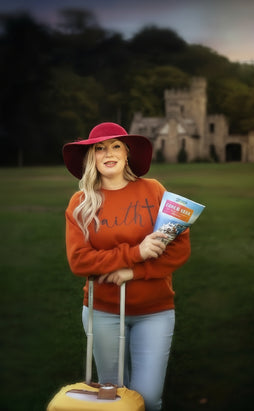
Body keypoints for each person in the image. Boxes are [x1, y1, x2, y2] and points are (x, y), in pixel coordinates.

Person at [63, 122, 191, 411]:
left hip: (154, 311)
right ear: (91, 157)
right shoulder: (81, 202)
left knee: (149, 397)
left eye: (116, 146)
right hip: (103, 311)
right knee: (114, 396)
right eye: (100, 148)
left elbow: (179, 247)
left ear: (127, 153)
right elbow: (80, 260)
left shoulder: (153, 190)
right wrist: (137, 252)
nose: (109, 153)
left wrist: (134, 271)